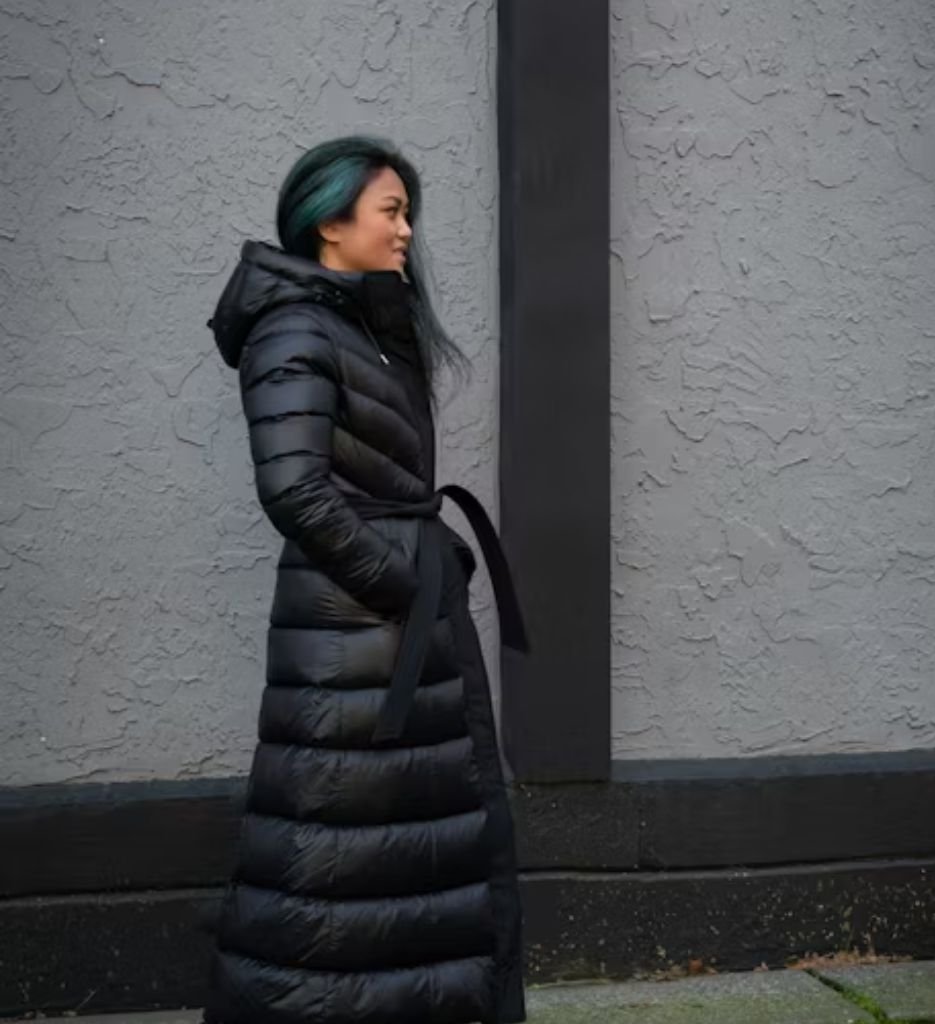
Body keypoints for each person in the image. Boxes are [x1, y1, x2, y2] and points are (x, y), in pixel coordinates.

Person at [202, 136, 528, 1024]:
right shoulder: (293, 328)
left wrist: (427, 580)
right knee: (335, 858)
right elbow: (295, 488)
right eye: (391, 211)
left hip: (393, 628)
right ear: (327, 221)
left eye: (406, 212)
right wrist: (405, 583)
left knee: (411, 855)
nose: (407, 230)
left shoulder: (359, 326)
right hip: (357, 635)